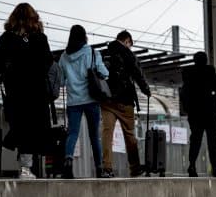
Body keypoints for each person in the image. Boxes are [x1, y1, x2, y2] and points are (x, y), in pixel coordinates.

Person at [0, 2, 54, 179]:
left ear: (13, 18)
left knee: (20, 126)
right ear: (33, 18)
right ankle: (25, 168)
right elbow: (48, 62)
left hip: (15, 91)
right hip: (36, 92)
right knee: (31, 128)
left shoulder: (6, 37)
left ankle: (17, 162)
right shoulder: (40, 38)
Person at [57, 24, 108, 178]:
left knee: (72, 134)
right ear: (85, 37)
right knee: (94, 136)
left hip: (73, 102)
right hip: (91, 100)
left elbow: (60, 81)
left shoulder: (64, 57)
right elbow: (104, 74)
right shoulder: (92, 53)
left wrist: (73, 79)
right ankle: (99, 169)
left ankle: (67, 162)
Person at [100, 30, 150, 177]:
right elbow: (137, 73)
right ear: (127, 41)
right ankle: (134, 168)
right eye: (130, 44)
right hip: (125, 100)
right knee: (129, 134)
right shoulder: (128, 54)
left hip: (107, 100)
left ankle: (107, 167)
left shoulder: (104, 52)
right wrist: (146, 89)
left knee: (107, 132)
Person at [180, 51, 216, 177]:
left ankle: (191, 166)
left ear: (194, 60)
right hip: (210, 114)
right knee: (213, 142)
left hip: (195, 115)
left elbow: (184, 95)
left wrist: (189, 109)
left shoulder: (189, 77)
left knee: (195, 140)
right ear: (206, 60)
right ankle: (215, 168)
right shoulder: (212, 75)